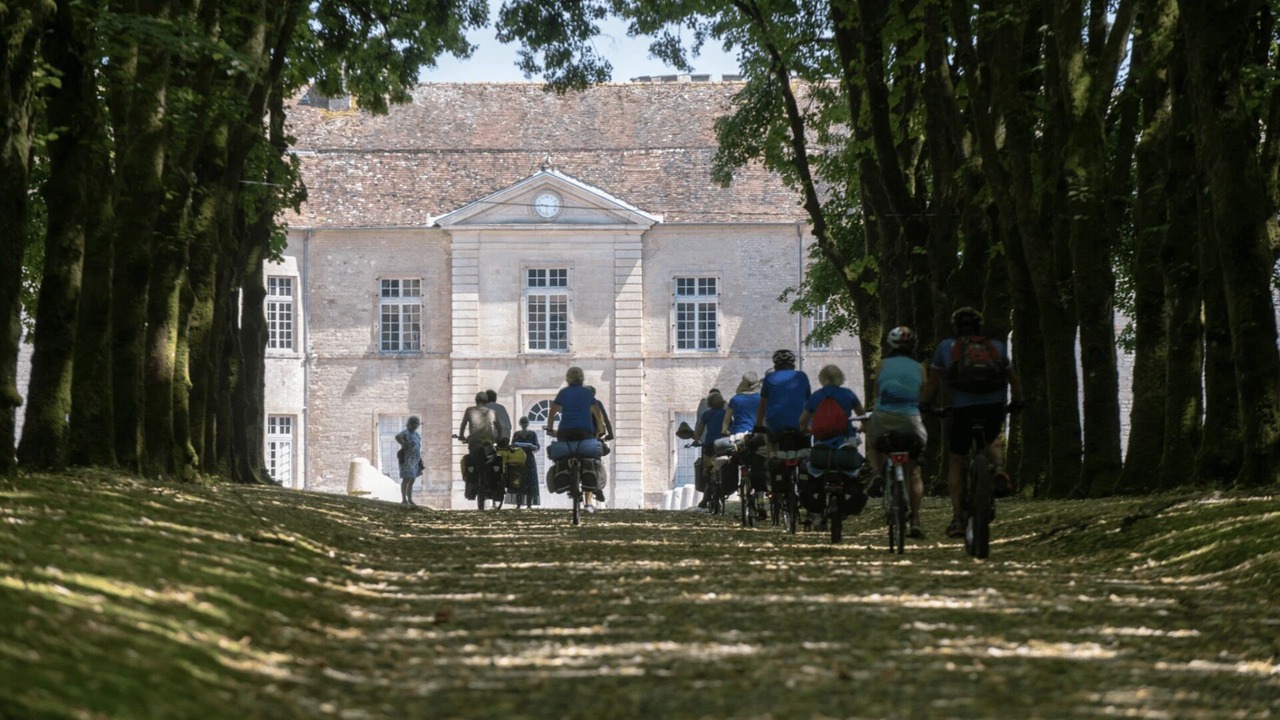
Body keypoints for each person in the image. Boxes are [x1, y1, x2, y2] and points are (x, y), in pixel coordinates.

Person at [920, 306, 1025, 539]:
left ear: (955, 327)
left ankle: (958, 517)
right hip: (993, 406)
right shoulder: (995, 346)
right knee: (993, 436)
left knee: (956, 459)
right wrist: (1017, 401)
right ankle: (998, 468)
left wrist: (925, 406)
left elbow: (933, 383)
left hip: (962, 409)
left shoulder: (946, 347)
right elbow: (1013, 378)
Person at [864, 326, 928, 537]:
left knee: (873, 439)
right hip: (910, 420)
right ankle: (916, 519)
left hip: (884, 418)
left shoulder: (882, 365)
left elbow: (876, 392)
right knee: (915, 471)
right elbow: (923, 396)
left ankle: (875, 472)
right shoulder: (920, 367)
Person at [546, 367, 607, 500]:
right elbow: (598, 415)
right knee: (591, 456)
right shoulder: (587, 393)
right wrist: (601, 430)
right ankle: (590, 481)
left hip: (565, 432)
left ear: (568, 379)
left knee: (560, 457)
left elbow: (552, 413)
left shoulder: (563, 393)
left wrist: (550, 428)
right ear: (582, 379)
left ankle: (565, 480)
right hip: (585, 432)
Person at [754, 349, 812, 439]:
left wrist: (758, 425)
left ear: (776, 365)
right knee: (806, 444)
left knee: (771, 444)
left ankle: (772, 452)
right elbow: (809, 401)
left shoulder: (769, 377)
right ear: (793, 364)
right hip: (800, 422)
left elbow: (763, 404)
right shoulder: (802, 376)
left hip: (775, 423)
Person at [458, 391, 497, 500]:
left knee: (473, 462)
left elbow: (463, 425)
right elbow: (498, 427)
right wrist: (497, 438)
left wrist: (461, 436)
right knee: (490, 462)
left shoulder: (470, 410)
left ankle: (473, 484)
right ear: (486, 402)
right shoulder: (491, 411)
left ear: (476, 401)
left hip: (474, 443)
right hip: (488, 444)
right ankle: (489, 485)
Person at [693, 390, 728, 509]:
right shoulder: (725, 413)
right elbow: (730, 426)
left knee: (708, 470)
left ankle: (705, 497)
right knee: (725, 466)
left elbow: (700, 429)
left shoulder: (706, 414)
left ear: (709, 403)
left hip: (709, 445)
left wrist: (696, 440)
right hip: (723, 444)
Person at [584, 385, 614, 510]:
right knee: (595, 463)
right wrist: (610, 434)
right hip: (592, 438)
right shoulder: (596, 403)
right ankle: (596, 488)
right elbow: (605, 420)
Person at [511, 417, 541, 508]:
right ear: (520, 423)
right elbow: (512, 446)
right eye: (522, 422)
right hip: (518, 459)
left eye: (525, 422)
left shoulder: (532, 434)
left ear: (528, 424)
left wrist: (531, 446)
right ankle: (518, 503)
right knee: (518, 480)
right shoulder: (516, 434)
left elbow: (537, 447)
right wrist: (515, 446)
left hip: (529, 459)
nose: (524, 424)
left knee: (530, 481)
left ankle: (529, 504)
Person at [394, 416, 423, 506]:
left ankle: (410, 499)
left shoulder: (416, 434)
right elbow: (397, 437)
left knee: (412, 480)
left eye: (416, 424)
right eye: (413, 424)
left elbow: (418, 446)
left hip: (415, 460)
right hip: (407, 459)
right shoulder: (405, 433)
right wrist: (404, 444)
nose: (415, 426)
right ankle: (404, 499)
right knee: (406, 479)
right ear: (409, 424)